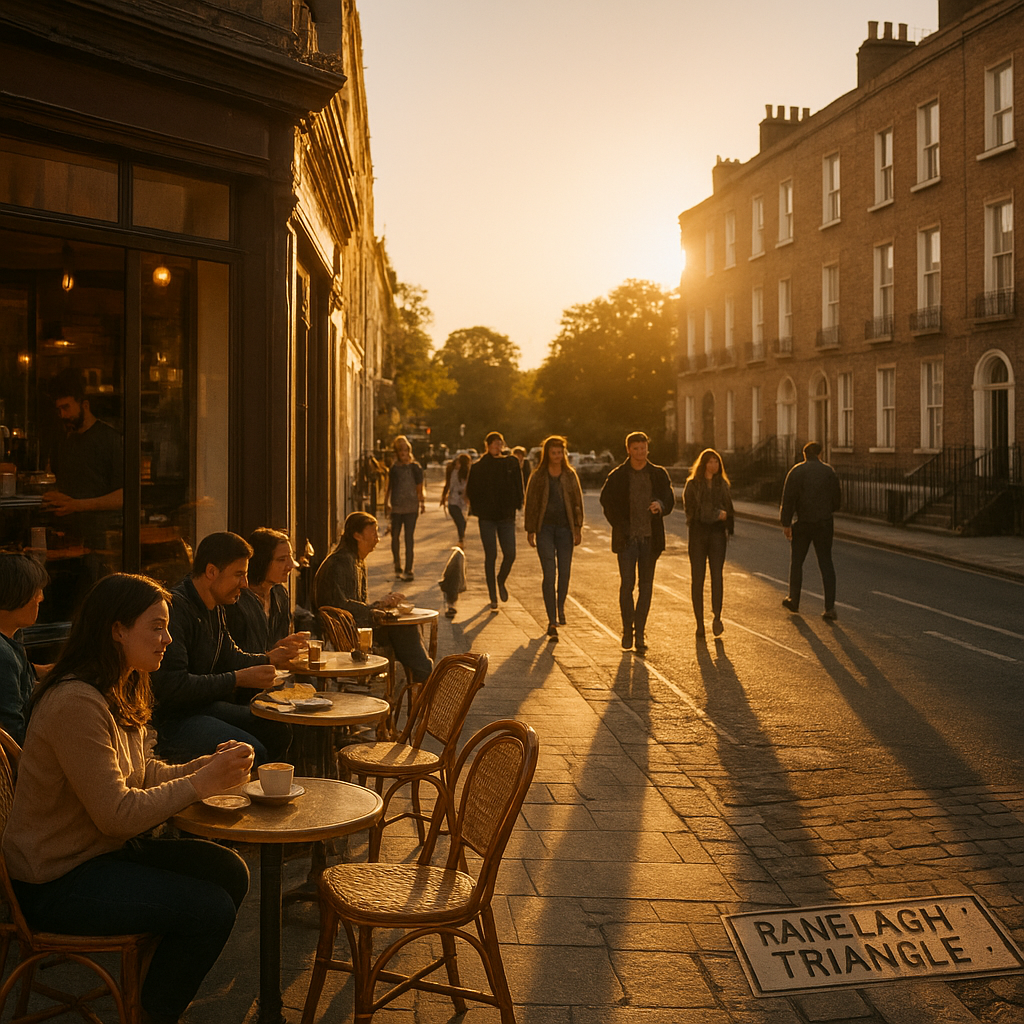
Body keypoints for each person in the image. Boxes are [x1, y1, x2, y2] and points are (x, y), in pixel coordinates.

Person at [2, 572, 253, 1024]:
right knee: (209, 910)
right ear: (117, 629)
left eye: (166, 627)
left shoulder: (121, 683)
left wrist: (204, 767)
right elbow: (117, 814)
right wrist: (201, 784)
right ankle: (149, 1013)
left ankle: (145, 991)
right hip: (54, 879)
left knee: (229, 870)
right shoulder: (75, 702)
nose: (168, 639)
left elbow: (139, 774)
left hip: (100, 851)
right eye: (157, 627)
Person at [151, 532, 304, 765]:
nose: (245, 584)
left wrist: (268, 659)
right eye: (239, 574)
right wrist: (237, 679)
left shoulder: (216, 605)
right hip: (172, 720)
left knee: (278, 728)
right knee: (252, 751)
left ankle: (273, 786)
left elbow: (229, 655)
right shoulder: (176, 609)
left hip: (204, 707)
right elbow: (174, 686)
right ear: (211, 572)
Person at [313, 512, 432, 683]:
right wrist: (377, 606)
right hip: (343, 631)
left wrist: (381, 604)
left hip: (354, 624)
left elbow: (359, 603)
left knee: (408, 626)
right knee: (404, 630)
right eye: (373, 533)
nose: (377, 539)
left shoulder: (357, 560)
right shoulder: (342, 562)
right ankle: (423, 674)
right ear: (357, 535)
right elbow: (341, 606)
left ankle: (420, 675)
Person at [599, 431, 675, 655]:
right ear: (629, 450)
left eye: (643, 448)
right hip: (627, 540)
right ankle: (627, 630)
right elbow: (606, 501)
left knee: (646, 586)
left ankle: (640, 632)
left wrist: (660, 505)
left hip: (650, 539)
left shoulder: (658, 474)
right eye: (636, 449)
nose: (640, 452)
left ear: (647, 449)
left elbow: (669, 498)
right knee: (627, 585)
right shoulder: (618, 475)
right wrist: (619, 524)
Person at [524, 435, 584, 641]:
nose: (557, 456)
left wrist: (577, 527)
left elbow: (577, 501)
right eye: (554, 453)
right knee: (549, 574)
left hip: (566, 530)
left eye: (560, 452)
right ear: (547, 454)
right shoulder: (539, 476)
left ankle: (560, 607)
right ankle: (551, 620)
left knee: (564, 573)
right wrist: (531, 529)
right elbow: (531, 503)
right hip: (545, 530)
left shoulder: (570, 475)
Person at [780, 441, 842, 620]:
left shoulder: (796, 471)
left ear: (804, 454)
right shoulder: (829, 472)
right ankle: (830, 608)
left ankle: (794, 599)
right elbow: (837, 501)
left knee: (797, 562)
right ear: (820, 454)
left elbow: (788, 499)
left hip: (803, 523)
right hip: (824, 523)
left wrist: (786, 523)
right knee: (826, 563)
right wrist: (827, 510)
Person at [465, 431, 524, 610]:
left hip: (506, 516)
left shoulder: (510, 463)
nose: (497, 446)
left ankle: (501, 579)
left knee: (510, 553)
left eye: (500, 443)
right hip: (487, 517)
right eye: (494, 443)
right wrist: (478, 509)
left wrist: (518, 503)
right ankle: (493, 596)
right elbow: (471, 490)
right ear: (488, 445)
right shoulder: (478, 467)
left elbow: (518, 485)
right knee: (491, 556)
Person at [682, 449, 735, 639]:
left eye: (716, 462)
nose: (714, 465)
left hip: (717, 534)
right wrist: (715, 514)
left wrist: (723, 517)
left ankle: (717, 617)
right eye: (710, 462)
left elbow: (729, 509)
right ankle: (699, 623)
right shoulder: (692, 485)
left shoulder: (723, 485)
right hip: (698, 533)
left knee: (717, 576)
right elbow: (692, 511)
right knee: (697, 579)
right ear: (703, 464)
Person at [0, 552, 49, 744]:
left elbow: (24, 675)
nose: (40, 597)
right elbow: (13, 733)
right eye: (35, 592)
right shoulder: (3, 656)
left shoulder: (13, 635)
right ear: (14, 594)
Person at [224, 528, 297, 654]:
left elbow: (276, 643)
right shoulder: (236, 599)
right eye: (281, 559)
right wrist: (269, 655)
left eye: (290, 557)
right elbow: (233, 656)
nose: (290, 565)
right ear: (262, 561)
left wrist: (287, 645)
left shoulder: (280, 594)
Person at [383, 435, 425, 582]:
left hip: (411, 507)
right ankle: (397, 565)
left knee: (409, 537)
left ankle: (409, 568)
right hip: (396, 507)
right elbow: (389, 487)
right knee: (395, 536)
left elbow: (419, 487)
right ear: (397, 452)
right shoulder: (394, 469)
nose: (403, 453)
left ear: (409, 451)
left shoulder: (415, 468)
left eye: (405, 450)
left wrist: (422, 502)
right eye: (400, 450)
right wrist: (386, 503)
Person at [439, 453, 471, 546]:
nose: (457, 464)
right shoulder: (451, 471)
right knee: (460, 520)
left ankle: (461, 539)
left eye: (459, 462)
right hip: (453, 500)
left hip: (463, 501)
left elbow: (470, 487)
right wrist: (443, 497)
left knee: (463, 522)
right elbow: (447, 484)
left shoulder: (467, 473)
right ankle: (461, 539)